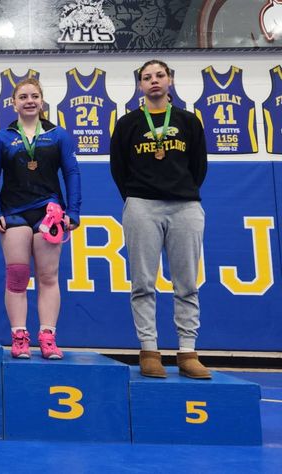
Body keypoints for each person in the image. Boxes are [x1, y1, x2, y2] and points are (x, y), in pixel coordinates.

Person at [110, 59, 210, 379]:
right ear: (140, 85)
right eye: (147, 77)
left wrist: (181, 191)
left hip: (185, 207)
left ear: (170, 80)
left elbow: (199, 167)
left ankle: (187, 351)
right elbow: (119, 169)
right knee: (142, 282)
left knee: (187, 283)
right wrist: (138, 195)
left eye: (160, 75)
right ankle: (149, 349)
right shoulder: (127, 124)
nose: (154, 81)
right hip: (141, 205)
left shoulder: (189, 121)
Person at [0, 78, 81, 360]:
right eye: (23, 96)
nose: (29, 100)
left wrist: (72, 211)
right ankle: (19, 336)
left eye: (34, 96)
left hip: (49, 210)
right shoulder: (2, 138)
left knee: (48, 276)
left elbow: (71, 173)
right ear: (13, 103)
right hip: (13, 212)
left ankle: (48, 336)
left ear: (42, 101)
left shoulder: (59, 135)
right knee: (16, 277)